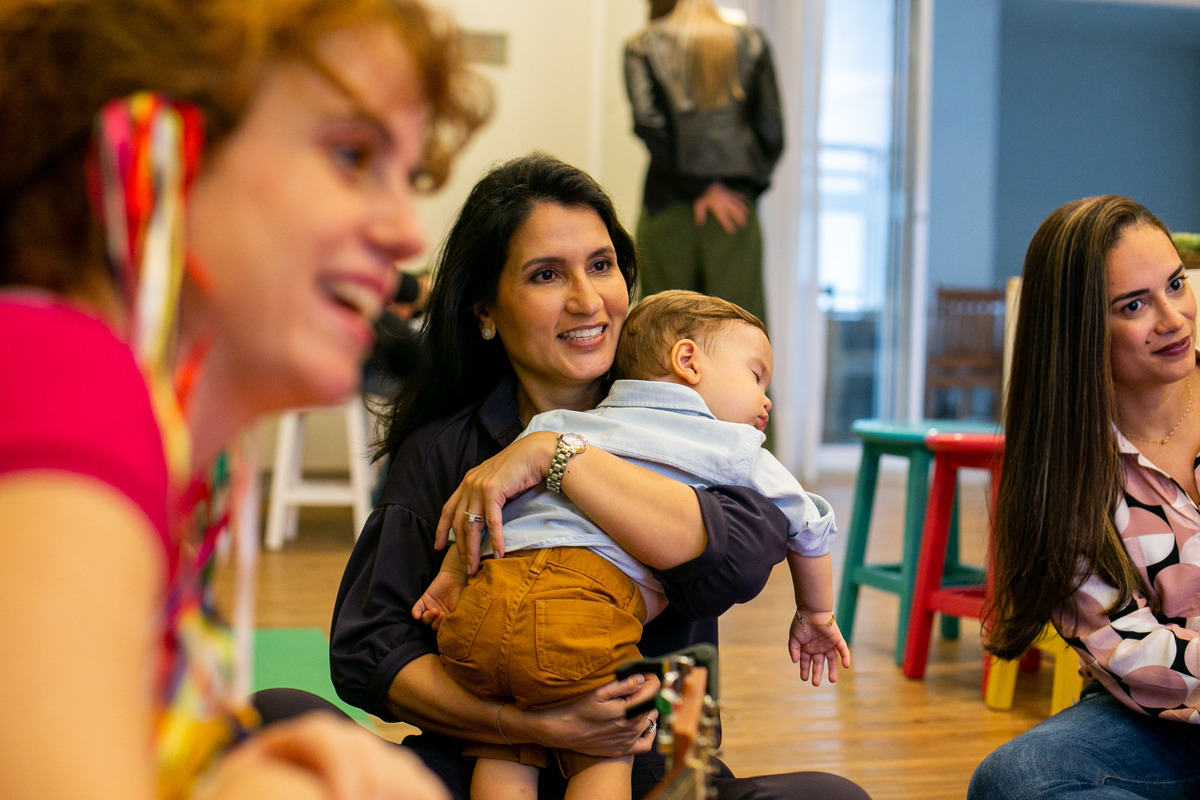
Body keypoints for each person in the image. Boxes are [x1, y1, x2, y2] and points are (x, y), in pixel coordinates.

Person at [0, 0, 489, 797]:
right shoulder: (63, 379)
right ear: (155, 153)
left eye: (410, 177)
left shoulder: (134, 431)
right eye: (352, 155)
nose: (408, 231)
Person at [329, 152, 870, 800]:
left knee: (831, 798)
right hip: (479, 757)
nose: (587, 301)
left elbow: (741, 556)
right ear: (485, 310)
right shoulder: (445, 449)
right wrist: (526, 724)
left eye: (601, 265)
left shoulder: (694, 421)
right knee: (276, 716)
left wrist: (554, 456)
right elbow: (369, 649)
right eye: (546, 274)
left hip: (653, 765)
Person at [413, 289, 851, 800]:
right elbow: (808, 525)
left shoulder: (559, 425)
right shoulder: (734, 448)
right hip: (580, 616)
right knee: (609, 746)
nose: (766, 399)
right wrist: (815, 613)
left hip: (485, 607)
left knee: (504, 750)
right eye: (757, 376)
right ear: (687, 361)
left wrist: (450, 579)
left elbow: (486, 504)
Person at [968, 195, 1200, 798]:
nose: (1173, 318)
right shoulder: (1064, 469)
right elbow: (1130, 651)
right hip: (1161, 715)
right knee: (1015, 780)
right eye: (1134, 305)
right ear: (1078, 329)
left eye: (1176, 285)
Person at [623, 0, 784, 326]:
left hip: (667, 206)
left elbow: (649, 123)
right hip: (733, 214)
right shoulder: (752, 41)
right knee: (738, 330)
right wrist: (733, 188)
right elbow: (772, 132)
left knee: (663, 329)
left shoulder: (641, 45)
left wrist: (698, 187)